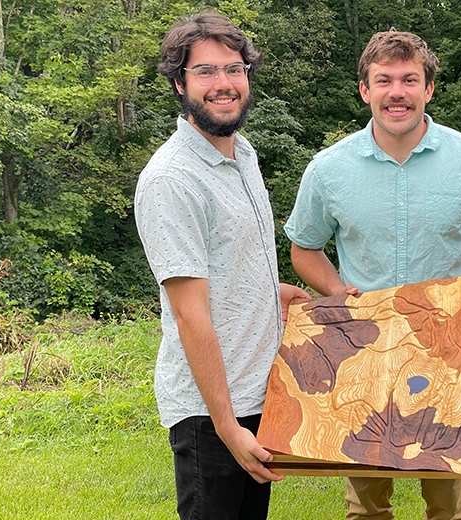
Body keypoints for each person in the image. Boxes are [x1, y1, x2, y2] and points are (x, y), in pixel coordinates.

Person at [285, 29, 461, 520]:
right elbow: (304, 248)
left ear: (429, 89)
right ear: (365, 89)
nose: (397, 92)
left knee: (448, 500)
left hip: (448, 348)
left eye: (410, 80)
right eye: (383, 80)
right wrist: (337, 292)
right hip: (364, 347)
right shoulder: (328, 169)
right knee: (365, 502)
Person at [134, 12, 309, 520]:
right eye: (205, 71)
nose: (223, 84)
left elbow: (222, 265)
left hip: (258, 390)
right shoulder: (173, 179)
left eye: (234, 69)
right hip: (212, 411)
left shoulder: (243, 155)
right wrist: (229, 426)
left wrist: (268, 291)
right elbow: (190, 314)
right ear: (178, 82)